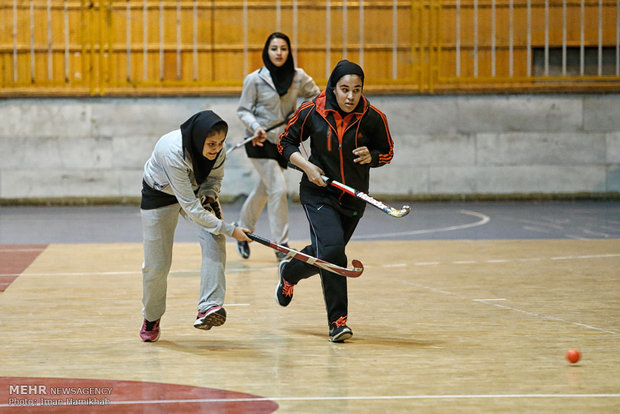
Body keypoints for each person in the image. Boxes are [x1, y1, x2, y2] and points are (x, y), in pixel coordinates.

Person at [276, 59, 395, 342]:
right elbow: (284, 143)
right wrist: (306, 166)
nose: (351, 96)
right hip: (318, 193)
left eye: (357, 90)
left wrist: (373, 157)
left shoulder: (373, 117)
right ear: (333, 88)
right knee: (333, 252)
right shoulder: (312, 111)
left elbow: (387, 151)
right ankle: (338, 321)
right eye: (344, 89)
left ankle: (290, 271)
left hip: (353, 200)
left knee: (324, 252)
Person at [139, 110, 252, 342]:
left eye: (220, 143)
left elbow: (214, 180)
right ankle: (151, 317)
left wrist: (210, 195)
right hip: (159, 194)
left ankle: (208, 307)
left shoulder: (217, 151)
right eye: (211, 143)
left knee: (214, 236)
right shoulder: (172, 152)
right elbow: (191, 208)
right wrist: (231, 230)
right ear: (198, 138)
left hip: (195, 192)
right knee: (156, 266)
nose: (216, 148)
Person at [234, 32, 320, 261]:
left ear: (288, 51)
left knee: (266, 189)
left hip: (282, 142)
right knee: (279, 190)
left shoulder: (298, 76)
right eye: (274, 48)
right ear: (267, 51)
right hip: (258, 141)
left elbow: (317, 96)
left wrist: (300, 113)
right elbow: (243, 110)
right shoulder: (254, 79)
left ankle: (241, 228)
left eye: (283, 48)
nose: (279, 53)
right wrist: (255, 127)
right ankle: (281, 246)